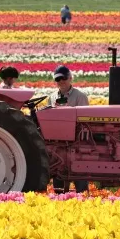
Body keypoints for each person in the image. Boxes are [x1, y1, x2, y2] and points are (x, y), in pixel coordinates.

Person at [50, 65, 89, 193]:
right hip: (57, 141)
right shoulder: (52, 97)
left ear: (70, 78)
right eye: (58, 79)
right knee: (58, 172)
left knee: (79, 171)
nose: (61, 81)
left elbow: (85, 120)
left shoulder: (80, 96)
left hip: (75, 141)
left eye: (64, 78)